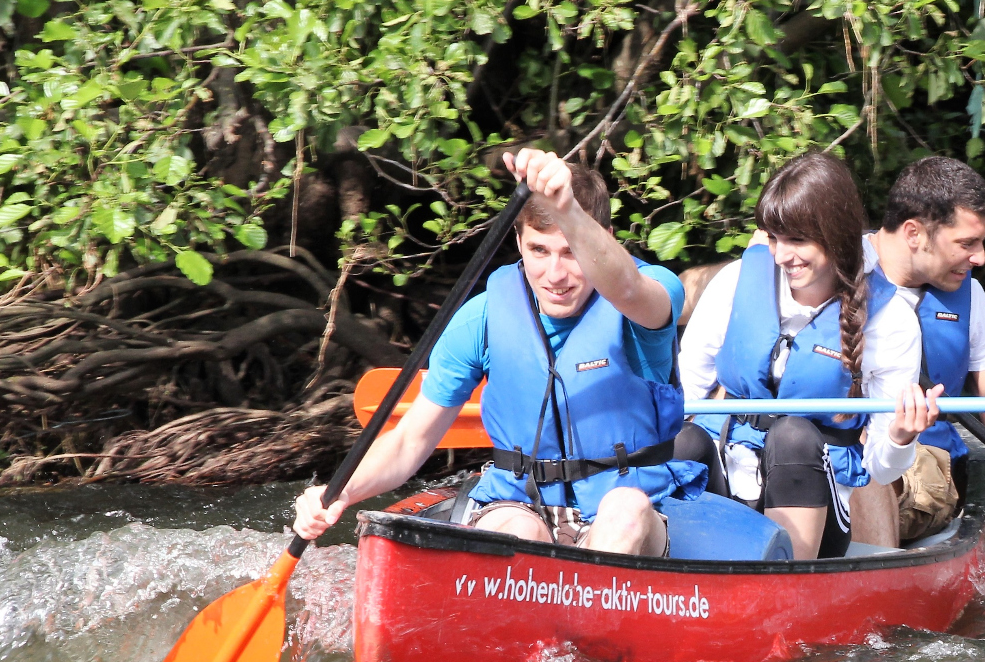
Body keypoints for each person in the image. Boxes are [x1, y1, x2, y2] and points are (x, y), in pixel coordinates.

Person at [292, 149, 705, 555]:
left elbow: (630, 290)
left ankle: (596, 616)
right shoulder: (482, 319)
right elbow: (409, 442)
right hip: (520, 503)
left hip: (624, 510)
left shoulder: (649, 292)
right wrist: (340, 491)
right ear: (519, 242)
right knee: (517, 529)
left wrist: (569, 211)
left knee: (625, 508)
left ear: (604, 240)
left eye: (571, 252)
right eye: (539, 251)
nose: (555, 275)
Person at [676, 152, 943, 560]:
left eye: (797, 240)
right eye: (773, 238)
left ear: (836, 235)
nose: (782, 256)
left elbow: (883, 469)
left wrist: (901, 437)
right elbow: (684, 394)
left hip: (817, 505)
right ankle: (671, 579)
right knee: (683, 440)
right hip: (730, 480)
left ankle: (786, 578)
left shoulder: (890, 319)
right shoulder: (734, 283)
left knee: (793, 437)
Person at [854, 157, 985, 544]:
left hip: (922, 461)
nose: (980, 257)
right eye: (967, 243)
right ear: (914, 233)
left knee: (854, 460)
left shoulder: (971, 296)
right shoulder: (825, 274)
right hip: (824, 451)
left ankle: (872, 578)